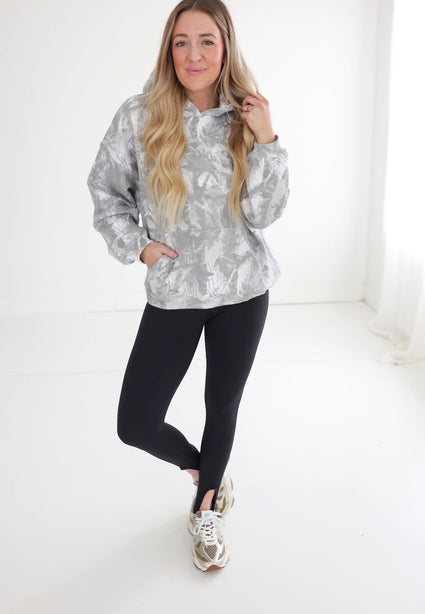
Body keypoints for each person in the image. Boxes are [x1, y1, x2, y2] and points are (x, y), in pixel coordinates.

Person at [87, 0, 290, 572]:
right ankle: (209, 474)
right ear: (169, 50)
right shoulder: (139, 115)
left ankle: (206, 511)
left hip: (243, 288)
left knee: (221, 405)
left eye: (206, 41)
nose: (193, 54)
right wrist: (140, 246)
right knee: (136, 422)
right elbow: (106, 192)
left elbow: (264, 213)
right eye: (181, 42)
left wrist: (268, 140)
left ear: (225, 47)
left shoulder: (245, 117)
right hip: (175, 291)